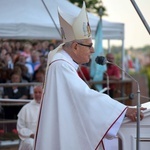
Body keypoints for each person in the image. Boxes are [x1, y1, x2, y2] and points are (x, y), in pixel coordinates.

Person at [33, 2, 145, 150]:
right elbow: (84, 97)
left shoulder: (62, 62)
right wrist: (123, 110)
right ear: (75, 46)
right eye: (89, 45)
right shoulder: (61, 65)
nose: (92, 50)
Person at [17, 85, 42, 150]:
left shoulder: (50, 107)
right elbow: (20, 128)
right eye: (35, 92)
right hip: (30, 138)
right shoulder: (26, 108)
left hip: (46, 137)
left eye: (39, 92)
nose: (37, 94)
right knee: (31, 143)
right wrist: (31, 134)